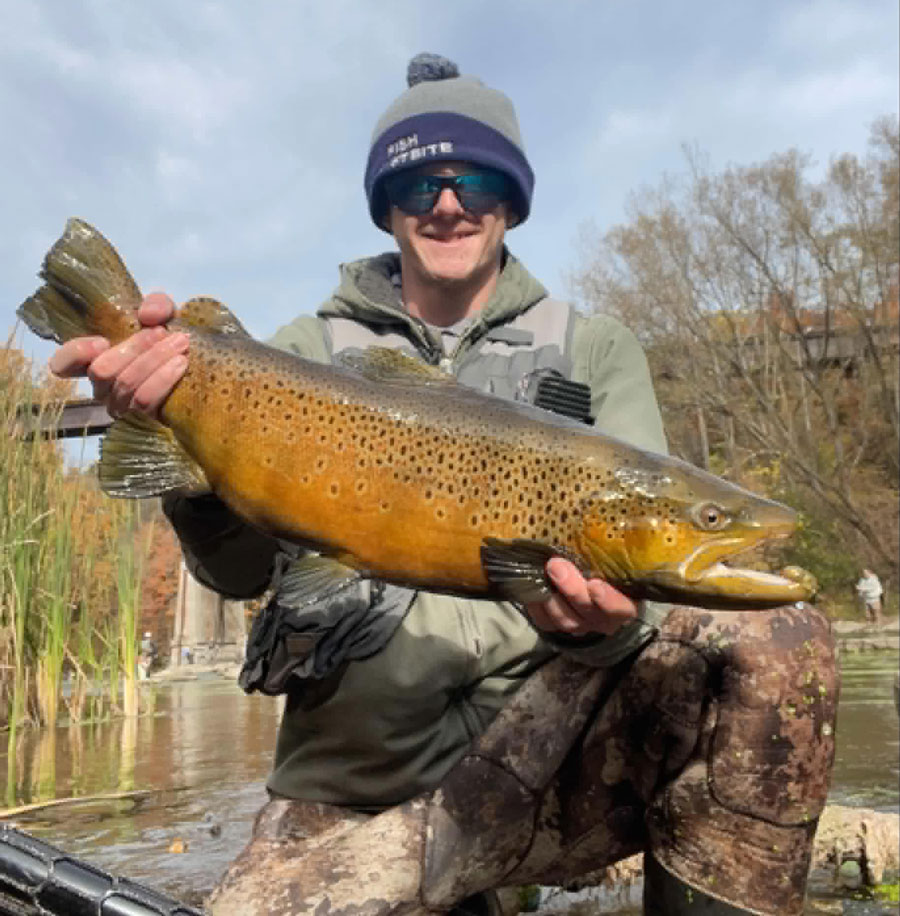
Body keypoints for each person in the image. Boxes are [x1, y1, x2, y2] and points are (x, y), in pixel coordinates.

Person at [48, 54, 837, 916]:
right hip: (355, 784)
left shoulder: (596, 348)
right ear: (388, 206)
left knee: (780, 639)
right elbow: (237, 576)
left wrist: (601, 634)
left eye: (477, 178)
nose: (449, 203)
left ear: (513, 198)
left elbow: (640, 607)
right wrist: (166, 434)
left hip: (553, 759)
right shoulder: (298, 355)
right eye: (420, 184)